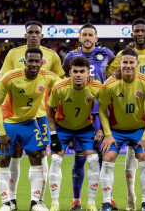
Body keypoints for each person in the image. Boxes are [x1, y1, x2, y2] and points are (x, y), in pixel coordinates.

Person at [0, 21, 65, 210]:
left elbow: (59, 84)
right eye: (30, 32)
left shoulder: (51, 56)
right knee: (15, 154)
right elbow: (2, 80)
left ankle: (38, 200)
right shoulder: (13, 54)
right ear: (25, 34)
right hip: (16, 115)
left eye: (37, 32)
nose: (34, 35)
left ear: (42, 35)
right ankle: (10, 200)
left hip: (41, 114)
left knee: (40, 155)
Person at [107, 18, 145, 210]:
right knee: (131, 158)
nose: (140, 34)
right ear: (131, 34)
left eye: (143, 31)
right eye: (136, 31)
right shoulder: (122, 55)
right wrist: (116, 72)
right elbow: (111, 75)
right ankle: (131, 198)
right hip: (127, 111)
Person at [62, 23, 116, 211]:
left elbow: (117, 71)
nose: (87, 37)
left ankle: (108, 198)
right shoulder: (70, 57)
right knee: (80, 158)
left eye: (90, 35)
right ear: (79, 38)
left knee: (104, 156)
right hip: (79, 112)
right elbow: (65, 81)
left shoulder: (106, 54)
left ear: (96, 38)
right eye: (84, 34)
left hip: (100, 111)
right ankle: (76, 199)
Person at [98, 48, 145, 211]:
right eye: (125, 62)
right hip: (116, 130)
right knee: (108, 158)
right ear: (120, 64)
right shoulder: (109, 84)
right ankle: (106, 202)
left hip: (139, 129)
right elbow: (102, 110)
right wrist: (108, 134)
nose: (128, 65)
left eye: (132, 62)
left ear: (137, 64)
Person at [47, 56, 103, 211]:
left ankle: (91, 203)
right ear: (70, 72)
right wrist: (53, 135)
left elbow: (105, 110)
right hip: (62, 127)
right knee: (56, 160)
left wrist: (102, 130)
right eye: (75, 71)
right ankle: (54, 204)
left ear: (87, 73)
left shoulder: (96, 87)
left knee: (93, 160)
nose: (78, 74)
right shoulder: (60, 87)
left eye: (82, 71)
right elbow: (49, 113)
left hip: (85, 127)